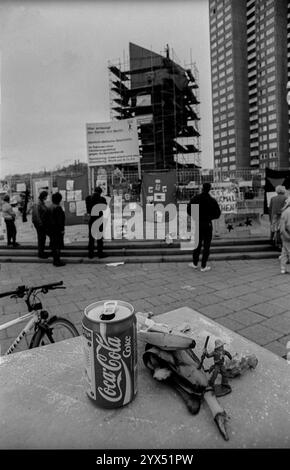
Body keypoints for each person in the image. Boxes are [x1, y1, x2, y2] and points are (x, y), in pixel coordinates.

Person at [187, 182, 221, 272]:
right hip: (208, 224)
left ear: (202, 188)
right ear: (209, 189)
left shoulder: (196, 198)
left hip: (198, 223)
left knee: (197, 245)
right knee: (206, 246)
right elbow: (217, 214)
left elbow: (189, 209)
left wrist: (196, 216)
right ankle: (203, 266)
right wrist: (209, 217)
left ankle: (194, 263)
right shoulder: (212, 200)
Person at [85, 186, 107, 259]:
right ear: (100, 192)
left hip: (92, 219)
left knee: (91, 238)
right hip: (99, 219)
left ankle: (90, 254)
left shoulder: (88, 198)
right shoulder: (102, 199)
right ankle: (100, 254)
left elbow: (88, 209)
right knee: (99, 238)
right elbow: (105, 208)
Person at [47, 192, 66, 267]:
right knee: (57, 245)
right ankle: (57, 261)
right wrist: (62, 229)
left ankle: (55, 259)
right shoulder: (58, 208)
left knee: (53, 244)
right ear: (59, 200)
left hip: (51, 229)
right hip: (57, 230)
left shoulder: (50, 207)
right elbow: (60, 220)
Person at [32, 190, 49, 258]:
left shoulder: (42, 203)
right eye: (46, 196)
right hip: (39, 223)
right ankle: (40, 253)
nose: (47, 197)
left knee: (43, 237)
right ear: (44, 196)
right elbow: (37, 215)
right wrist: (40, 223)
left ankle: (42, 252)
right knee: (41, 237)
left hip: (42, 223)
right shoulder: (38, 203)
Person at [279, 197, 290, 274]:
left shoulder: (285, 212)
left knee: (284, 251)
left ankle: (283, 268)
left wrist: (286, 235)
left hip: (286, 234)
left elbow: (282, 228)